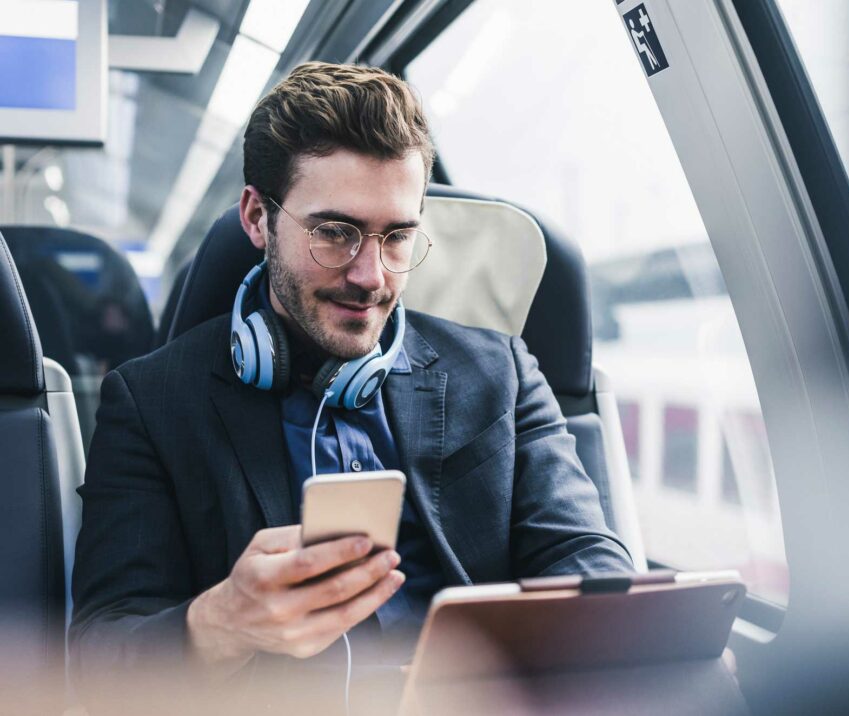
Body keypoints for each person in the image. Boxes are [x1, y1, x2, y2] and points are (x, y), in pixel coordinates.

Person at [68, 62, 633, 714]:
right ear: (257, 218)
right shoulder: (152, 401)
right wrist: (221, 622)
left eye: (397, 237)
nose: (371, 276)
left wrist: (629, 640)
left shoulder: (497, 371)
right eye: (335, 233)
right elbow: (99, 656)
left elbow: (583, 553)